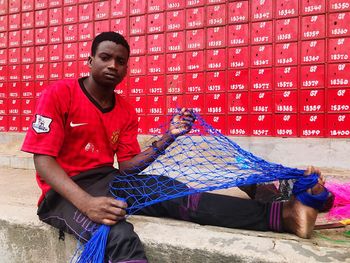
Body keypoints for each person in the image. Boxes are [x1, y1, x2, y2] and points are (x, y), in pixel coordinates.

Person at [22, 32, 330, 263]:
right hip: (62, 194)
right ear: (90, 61)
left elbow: (128, 165)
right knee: (117, 235)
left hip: (110, 179)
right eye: (105, 57)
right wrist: (87, 203)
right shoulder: (59, 94)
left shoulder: (125, 110)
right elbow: (44, 161)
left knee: (178, 194)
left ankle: (286, 215)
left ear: (127, 69)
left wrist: (167, 137)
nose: (113, 65)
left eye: (120, 61)